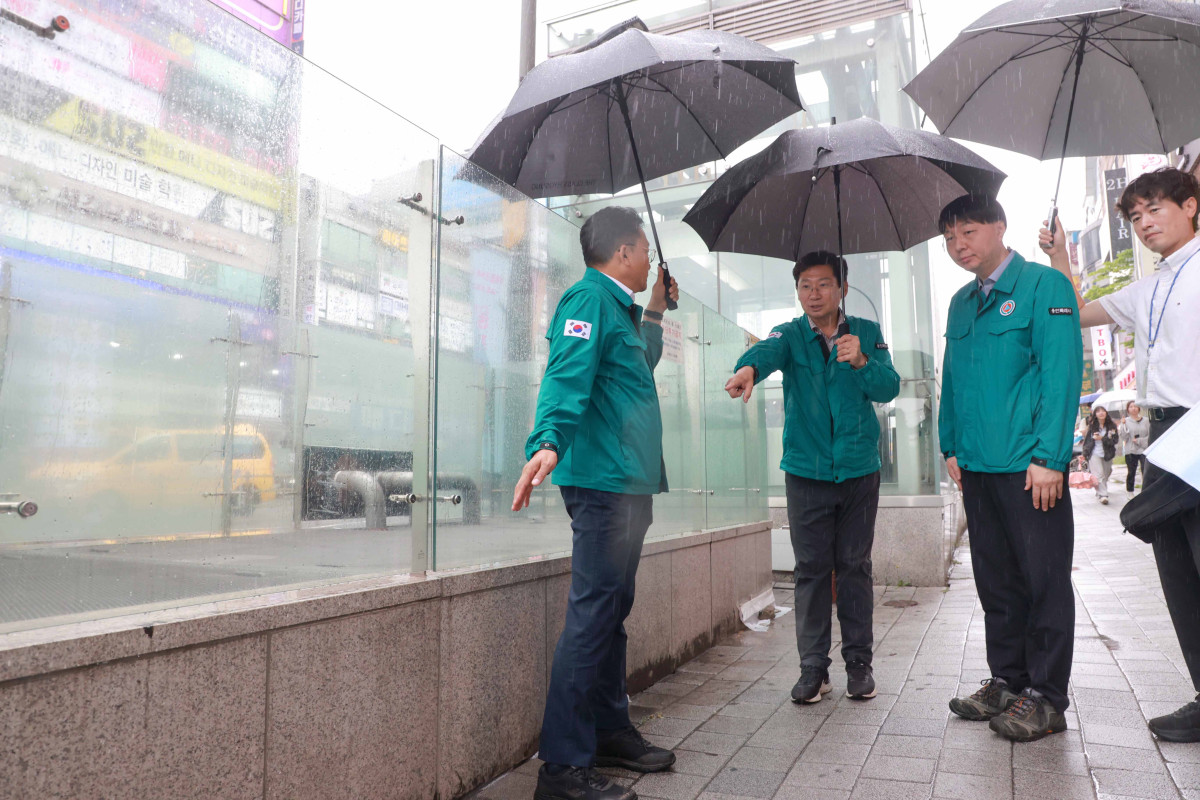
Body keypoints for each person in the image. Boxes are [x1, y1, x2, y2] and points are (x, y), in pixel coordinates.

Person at [512, 206, 679, 800]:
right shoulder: (586, 303)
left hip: (628, 481)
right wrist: (548, 440)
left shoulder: (621, 309)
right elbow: (565, 377)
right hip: (604, 483)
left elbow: (634, 371)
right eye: (645, 253)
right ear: (626, 251)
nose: (650, 263)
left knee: (610, 612)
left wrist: (655, 310)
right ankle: (561, 768)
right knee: (591, 618)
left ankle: (608, 730)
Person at [1041, 166, 1200, 742]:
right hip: (1162, 435)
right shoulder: (1149, 285)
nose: (1144, 222)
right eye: (1135, 216)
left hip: (1199, 430)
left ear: (1190, 206)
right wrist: (1062, 256)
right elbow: (1079, 311)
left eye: (1156, 209)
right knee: (1178, 571)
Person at [724, 251, 900, 704]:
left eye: (823, 284)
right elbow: (766, 350)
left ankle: (859, 665)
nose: (813, 294)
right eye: (805, 285)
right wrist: (748, 369)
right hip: (806, 473)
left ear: (841, 288)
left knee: (855, 568)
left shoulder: (867, 333)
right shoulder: (790, 333)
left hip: (860, 469)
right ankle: (813, 669)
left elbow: (888, 388)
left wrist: (861, 360)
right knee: (811, 572)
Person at [938, 194, 1083, 742]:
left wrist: (1050, 457)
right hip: (975, 466)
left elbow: (1061, 374)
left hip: (1030, 468)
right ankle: (1007, 680)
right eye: (950, 239)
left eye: (969, 232)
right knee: (995, 581)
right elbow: (951, 377)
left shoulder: (1045, 287)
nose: (959, 246)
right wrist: (949, 445)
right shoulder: (959, 302)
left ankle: (1045, 696)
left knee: (1043, 581)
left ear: (1000, 226)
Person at [1082, 406, 1119, 504]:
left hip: (1107, 454)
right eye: (1098, 411)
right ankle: (1103, 495)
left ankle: (1100, 490)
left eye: (1103, 411)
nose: (1101, 413)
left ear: (1106, 413)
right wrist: (1085, 453)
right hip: (1094, 453)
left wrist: (1102, 438)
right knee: (1099, 474)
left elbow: (1115, 440)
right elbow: (1087, 441)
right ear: (1095, 414)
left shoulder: (1112, 426)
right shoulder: (1092, 426)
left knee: (1106, 473)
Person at [1120, 401, 1149, 494]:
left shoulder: (1146, 420)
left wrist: (1140, 441)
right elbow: (1124, 437)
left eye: (1135, 406)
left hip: (1144, 449)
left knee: (1146, 471)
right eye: (1131, 406)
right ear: (1128, 409)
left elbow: (1150, 434)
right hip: (1131, 450)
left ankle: (1145, 491)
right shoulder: (1125, 421)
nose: (1134, 408)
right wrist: (1123, 424)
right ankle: (1130, 491)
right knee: (1131, 471)